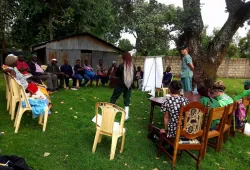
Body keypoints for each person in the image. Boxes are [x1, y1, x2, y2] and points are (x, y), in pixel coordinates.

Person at [160, 80, 189, 153]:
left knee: (160, 131)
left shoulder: (167, 101)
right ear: (180, 90)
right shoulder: (185, 100)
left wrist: (166, 130)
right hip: (185, 129)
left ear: (169, 90)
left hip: (174, 131)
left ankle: (171, 144)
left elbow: (166, 117)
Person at [110, 52, 136, 120]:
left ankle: (110, 112)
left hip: (120, 85)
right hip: (129, 85)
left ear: (123, 58)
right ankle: (126, 116)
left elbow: (117, 74)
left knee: (114, 97)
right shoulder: (133, 66)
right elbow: (134, 76)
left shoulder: (121, 65)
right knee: (127, 100)